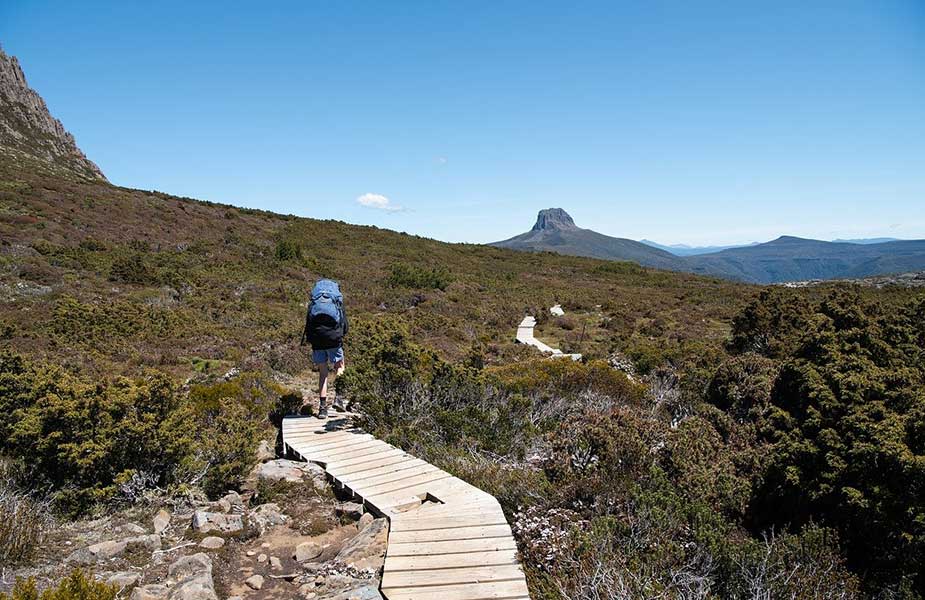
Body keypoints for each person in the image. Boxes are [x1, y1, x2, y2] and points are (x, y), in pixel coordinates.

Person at [300, 279, 348, 418]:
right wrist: (340, 336)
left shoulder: (314, 302)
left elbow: (308, 323)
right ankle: (338, 398)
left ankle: (322, 408)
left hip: (317, 340)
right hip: (333, 338)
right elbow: (345, 325)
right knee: (339, 366)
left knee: (323, 373)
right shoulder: (337, 302)